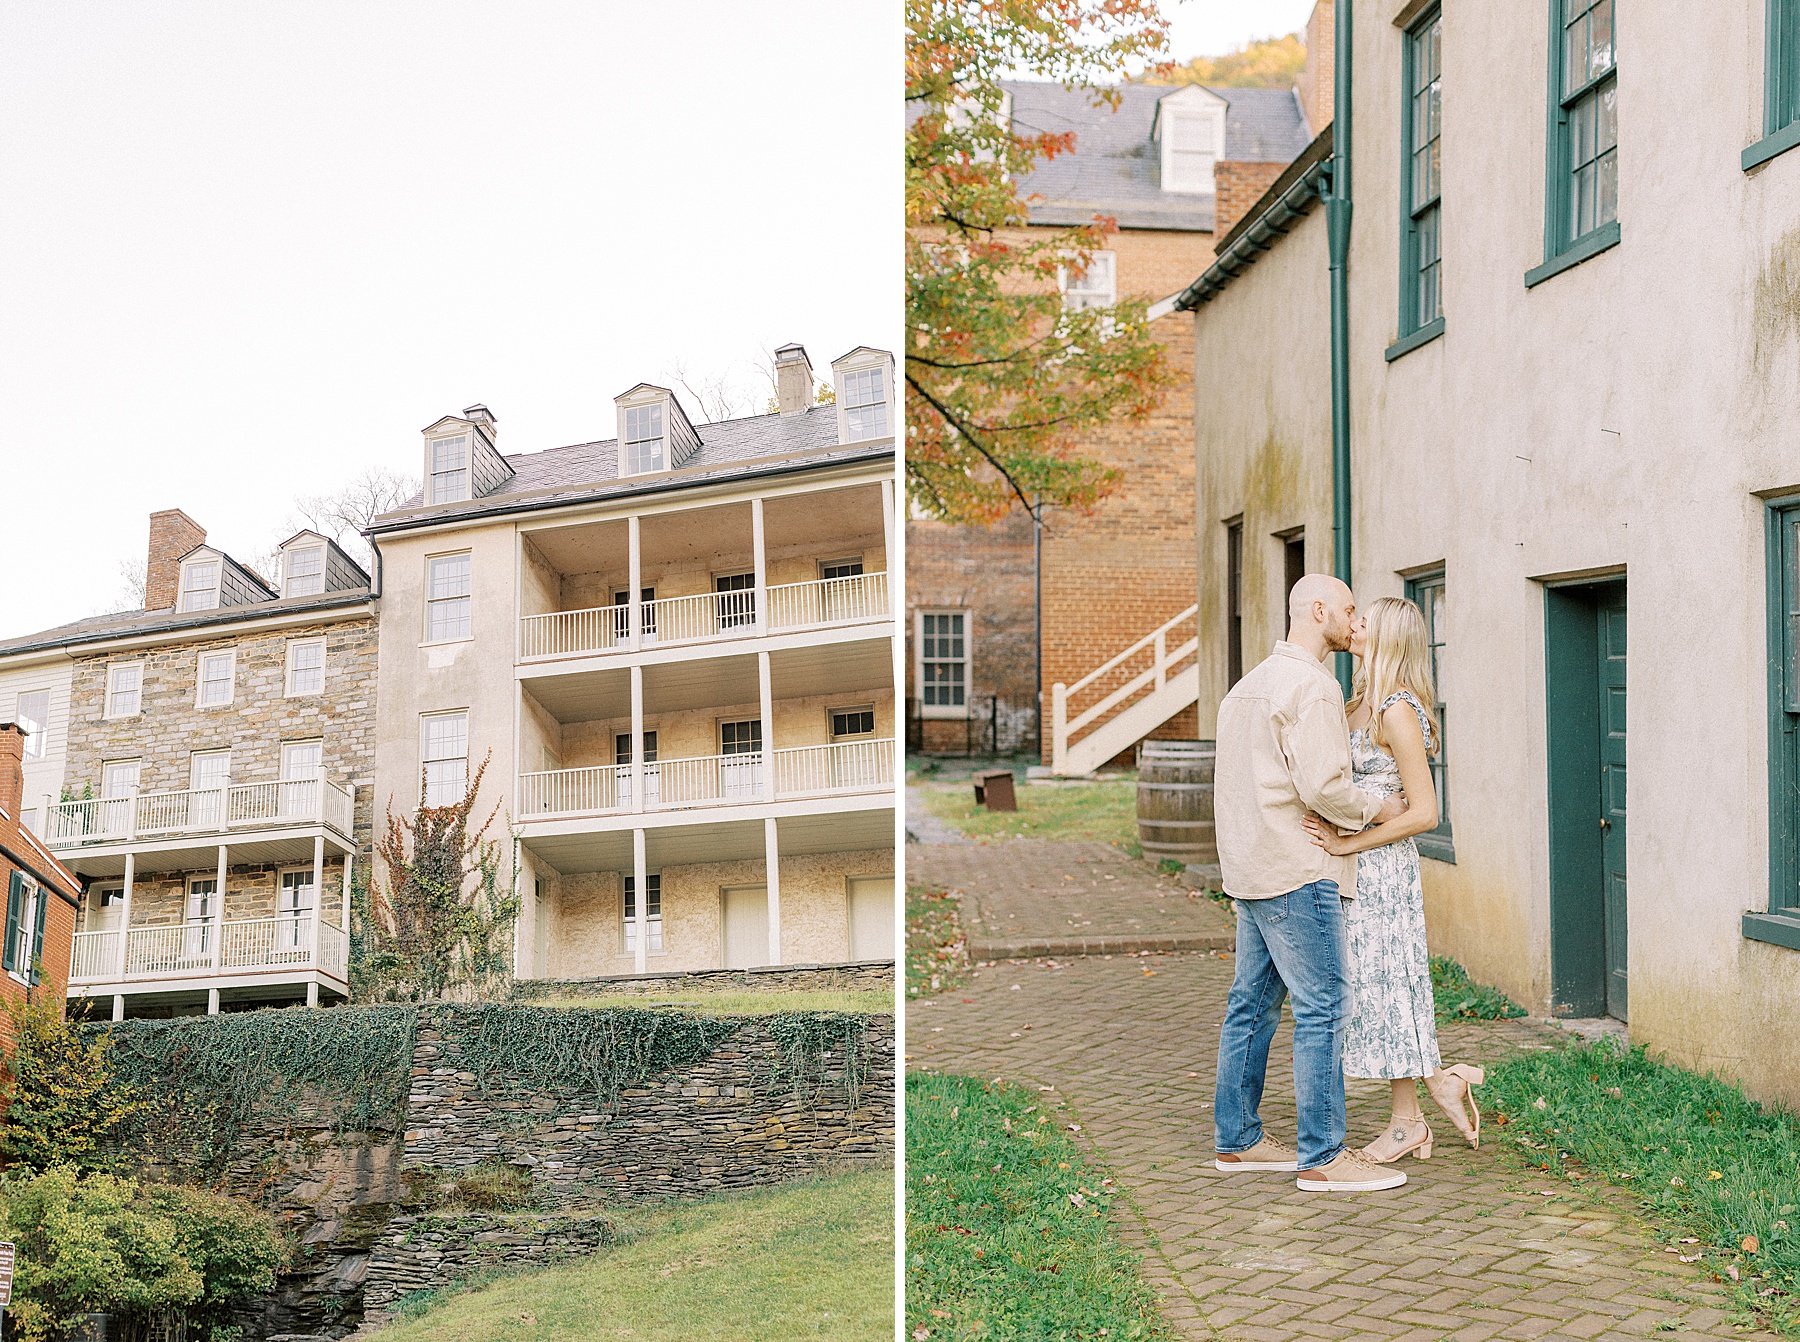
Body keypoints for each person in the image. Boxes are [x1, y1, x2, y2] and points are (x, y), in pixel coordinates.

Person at [1211, 574, 1410, 1194]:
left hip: (1249, 870)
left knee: (1251, 1006)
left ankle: (1238, 1140)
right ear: (1316, 610)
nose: (1355, 621)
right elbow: (1325, 786)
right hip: (1300, 871)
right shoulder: (1315, 687)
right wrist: (1381, 808)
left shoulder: (1244, 689)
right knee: (1322, 1010)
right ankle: (1323, 1158)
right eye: (1348, 609)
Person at [1301, 596, 1485, 1162]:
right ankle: (1431, 1090)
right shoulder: (1360, 702)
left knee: (1386, 983)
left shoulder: (1398, 711)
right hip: (1354, 868)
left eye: (1365, 621)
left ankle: (1410, 1119)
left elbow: (1424, 813)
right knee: (1376, 988)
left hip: (1383, 871)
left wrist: (1346, 841)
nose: (1353, 625)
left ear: (1386, 639)